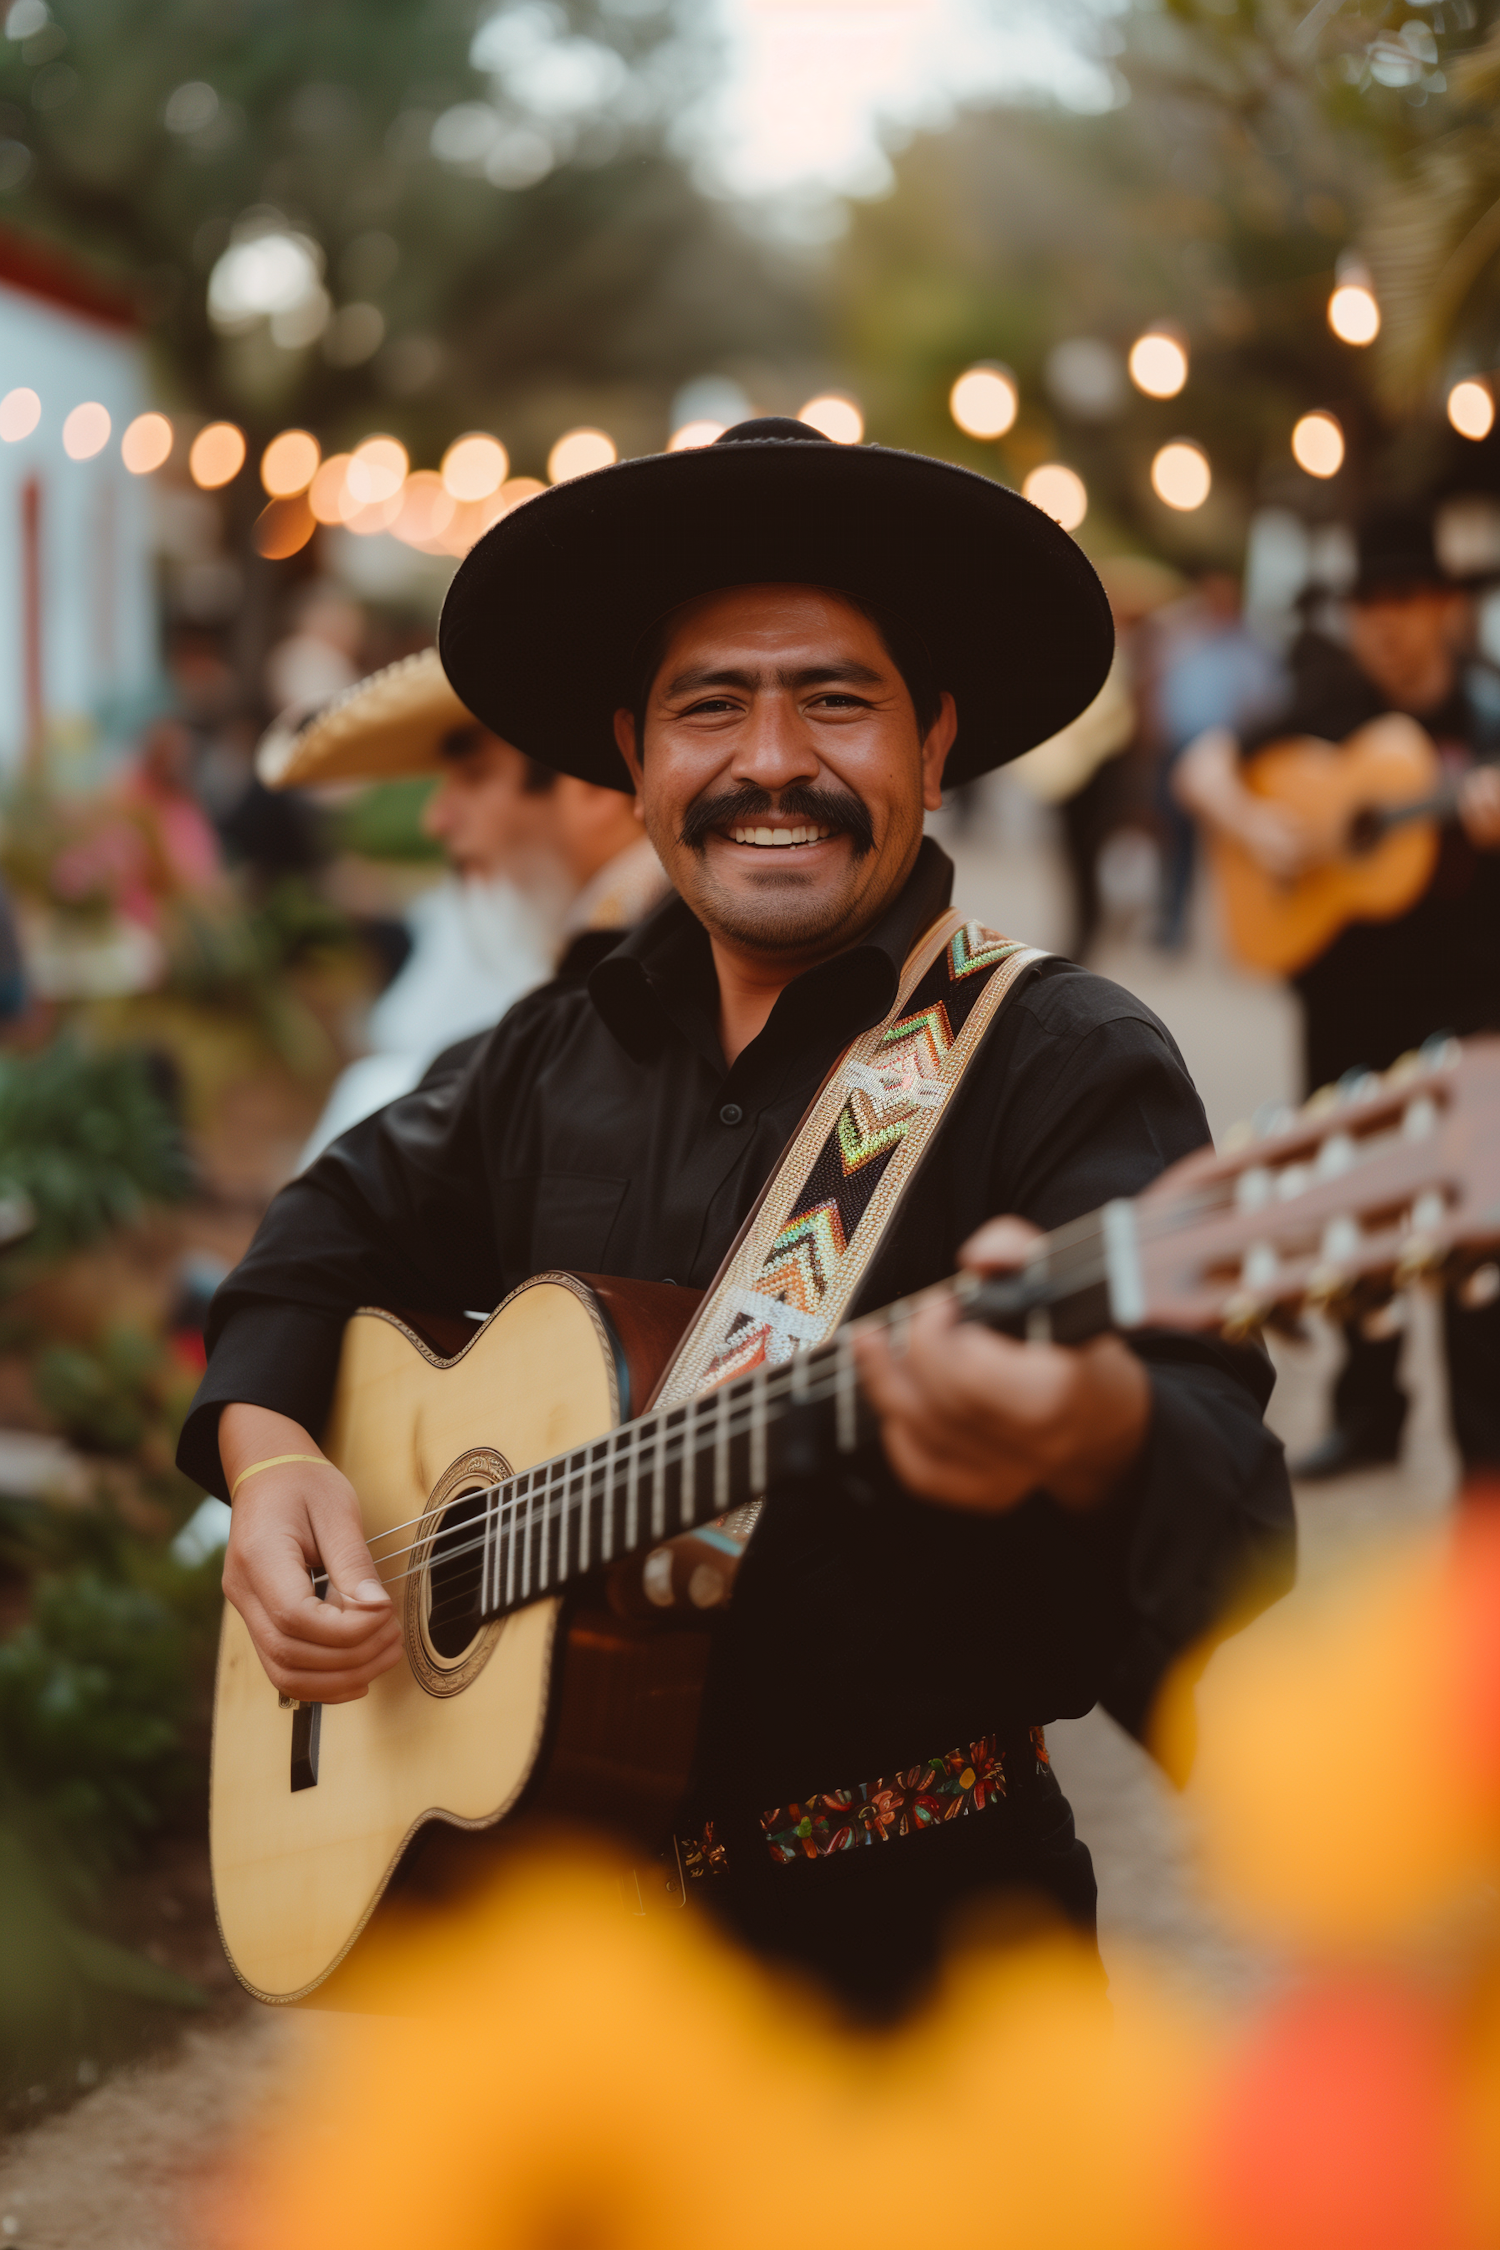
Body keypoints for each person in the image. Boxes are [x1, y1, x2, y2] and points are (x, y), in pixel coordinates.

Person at [180, 418, 1294, 2017]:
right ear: (636, 758)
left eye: (835, 697)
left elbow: (1230, 1503)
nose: (773, 758)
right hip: (555, 1975)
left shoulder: (1062, 1058)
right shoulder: (557, 1046)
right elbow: (321, 1230)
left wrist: (1096, 1420)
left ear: (935, 738)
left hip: (923, 1968)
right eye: (714, 704)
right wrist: (277, 1458)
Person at [1174, 506, 1500, 1481]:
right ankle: (1371, 1418)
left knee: (1477, 1232)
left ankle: (1484, 1455)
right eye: (1372, 604)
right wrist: (1257, 827)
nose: (1390, 624)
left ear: (1445, 608)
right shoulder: (1323, 699)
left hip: (1473, 1002)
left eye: (1408, 600)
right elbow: (1201, 767)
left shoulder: (1485, 719)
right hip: (1348, 1004)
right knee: (1358, 1223)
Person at [262, 650, 665, 1161]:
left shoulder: (651, 960)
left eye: (474, 775)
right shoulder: (611, 935)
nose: (437, 819)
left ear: (592, 789)